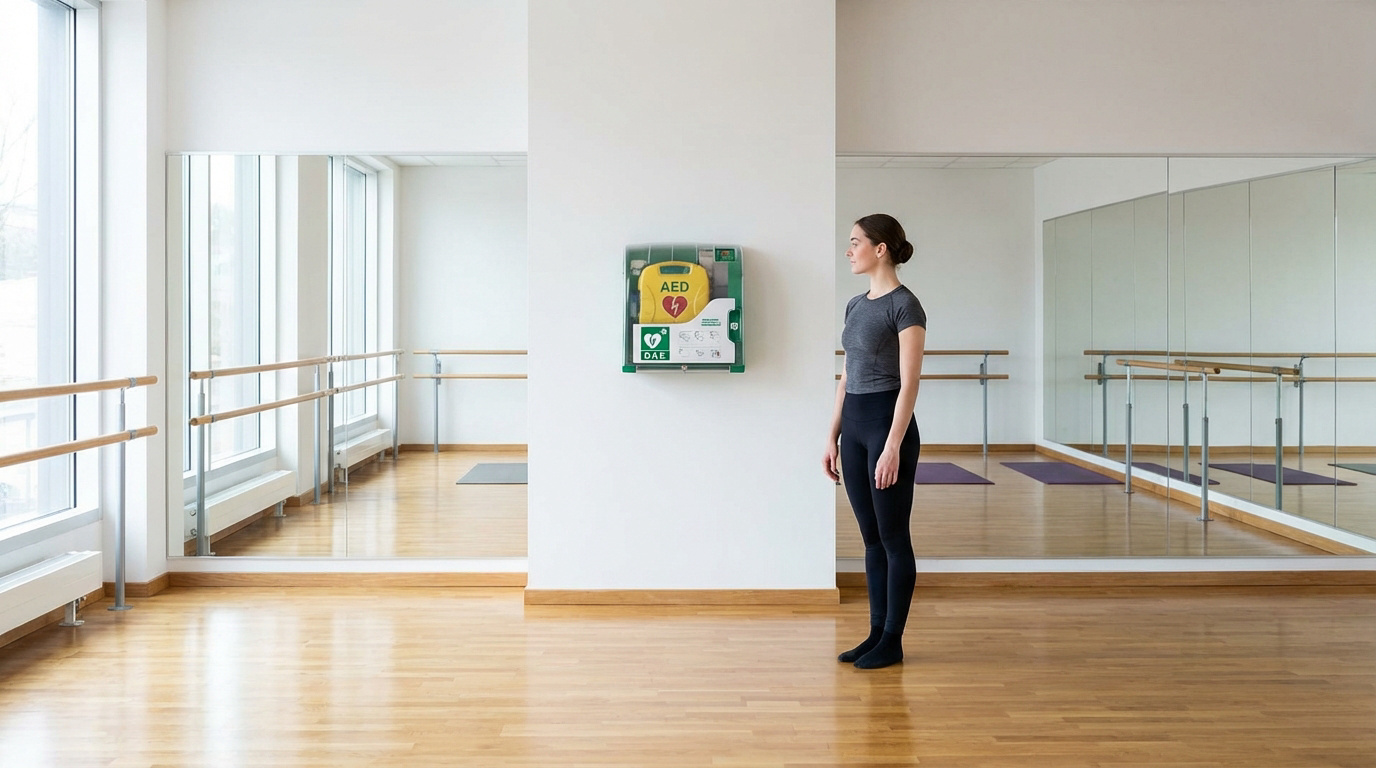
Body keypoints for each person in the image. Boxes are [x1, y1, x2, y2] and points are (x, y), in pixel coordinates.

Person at [824, 213, 926, 670]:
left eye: (855, 242)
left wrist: (892, 446)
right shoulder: (855, 304)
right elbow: (846, 376)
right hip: (856, 427)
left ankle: (893, 640)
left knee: (892, 536)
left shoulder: (905, 306)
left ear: (879, 248)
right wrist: (832, 435)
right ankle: (874, 633)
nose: (849, 250)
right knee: (869, 538)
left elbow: (909, 384)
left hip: (888, 426)